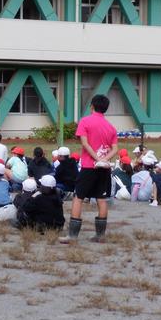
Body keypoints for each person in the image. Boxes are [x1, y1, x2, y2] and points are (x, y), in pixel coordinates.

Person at [61, 94, 118, 244]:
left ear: (92, 106)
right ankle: (100, 235)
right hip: (104, 168)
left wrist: (96, 158)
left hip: (88, 166)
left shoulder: (85, 121)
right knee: (101, 198)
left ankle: (72, 236)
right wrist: (104, 159)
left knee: (78, 198)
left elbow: (85, 144)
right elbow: (115, 148)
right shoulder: (111, 127)